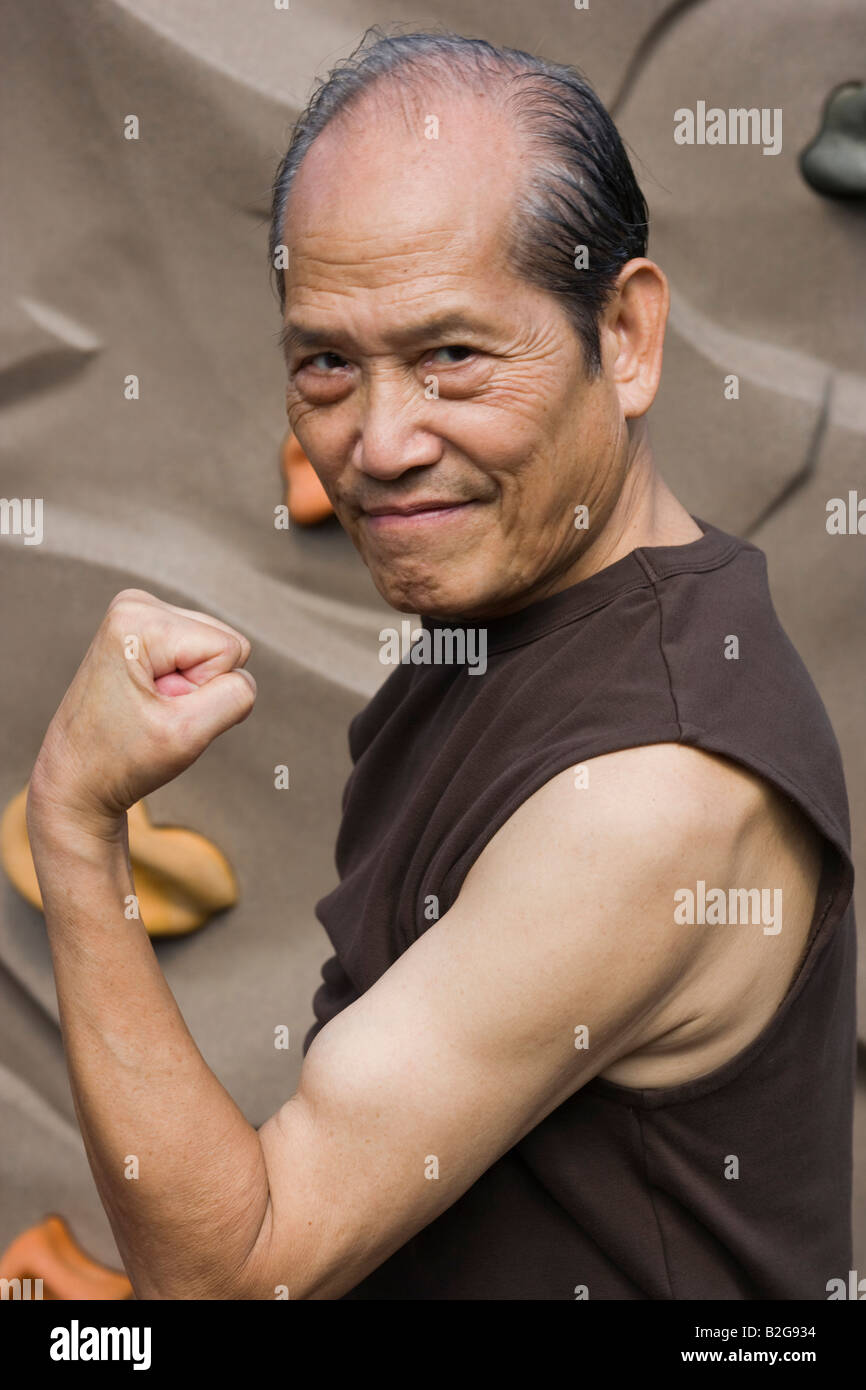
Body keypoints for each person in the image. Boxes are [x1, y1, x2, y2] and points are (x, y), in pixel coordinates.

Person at [26, 30, 855, 1300]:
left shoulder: (645, 799)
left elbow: (234, 1279)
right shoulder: (550, 611)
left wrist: (76, 826)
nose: (378, 443)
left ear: (624, 337)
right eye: (327, 364)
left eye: (451, 356)